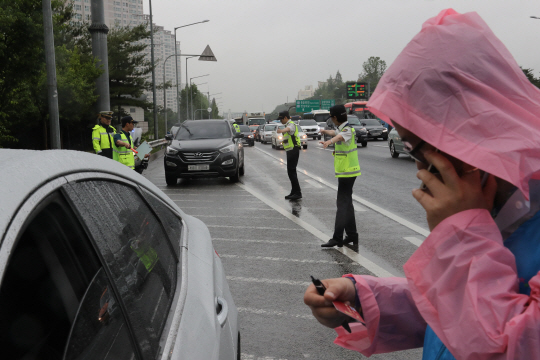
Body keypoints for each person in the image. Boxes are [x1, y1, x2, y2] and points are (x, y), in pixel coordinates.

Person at [304, 9, 540, 360]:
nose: (419, 170)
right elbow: (454, 311)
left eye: (421, 148)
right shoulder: (500, 210)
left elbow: (506, 344)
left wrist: (460, 235)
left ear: (474, 131)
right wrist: (360, 300)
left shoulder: (479, 222)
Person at [319, 105, 361, 248]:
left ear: (335, 117)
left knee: (342, 205)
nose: (331, 119)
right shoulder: (343, 127)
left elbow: (339, 136)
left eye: (331, 117)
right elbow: (335, 132)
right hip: (347, 172)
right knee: (347, 204)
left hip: (348, 172)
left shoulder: (347, 130)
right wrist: (325, 131)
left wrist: (328, 142)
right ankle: (352, 235)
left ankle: (337, 238)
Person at [276, 110, 302, 200]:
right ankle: (294, 191)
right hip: (290, 150)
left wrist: (281, 130)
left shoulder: (291, 124)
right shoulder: (287, 124)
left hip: (294, 150)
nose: (280, 121)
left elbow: (289, 129)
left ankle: (297, 192)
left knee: (292, 171)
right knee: (290, 172)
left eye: (281, 119)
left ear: (286, 118)